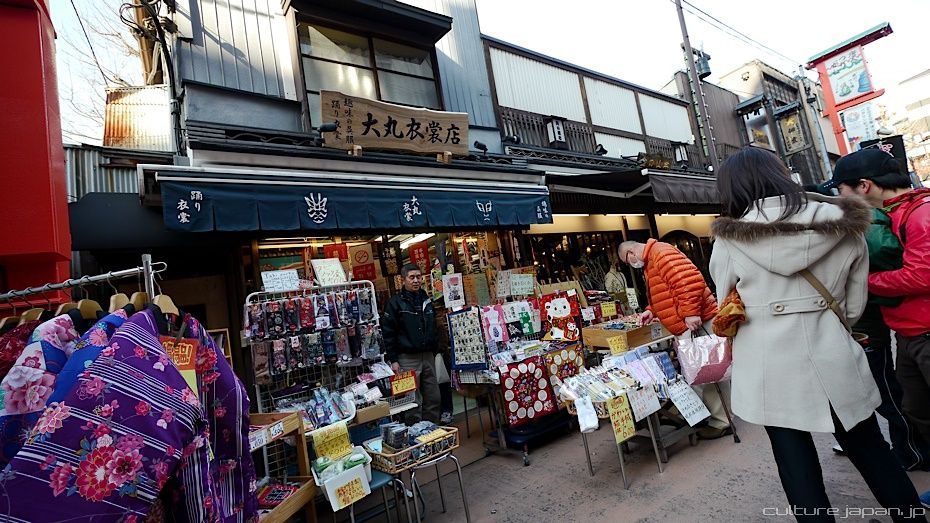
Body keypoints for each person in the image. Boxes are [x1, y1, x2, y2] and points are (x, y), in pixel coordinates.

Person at [710, 147, 922, 522]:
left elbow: (725, 296)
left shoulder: (730, 239)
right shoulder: (845, 222)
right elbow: (854, 306)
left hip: (769, 366)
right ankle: (910, 517)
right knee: (871, 449)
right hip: (832, 354)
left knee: (795, 463)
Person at [824, 148, 930, 505]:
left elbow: (922, 275)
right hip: (911, 333)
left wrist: (861, 282)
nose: (840, 198)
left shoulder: (921, 214)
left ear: (864, 186)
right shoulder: (898, 213)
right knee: (917, 409)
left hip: (925, 332)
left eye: (841, 190)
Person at [618, 239, 730, 439]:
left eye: (628, 261)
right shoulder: (654, 258)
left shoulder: (660, 254)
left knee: (705, 372)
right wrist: (652, 310)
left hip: (693, 321)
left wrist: (690, 313)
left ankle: (720, 421)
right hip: (688, 321)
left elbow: (689, 282)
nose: (631, 265)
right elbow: (665, 291)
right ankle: (719, 417)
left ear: (630, 253)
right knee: (706, 371)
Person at [382, 263, 441, 424]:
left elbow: (434, 326)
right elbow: (388, 333)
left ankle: (431, 430)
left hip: (427, 356)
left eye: (418, 277)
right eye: (412, 277)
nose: (416, 280)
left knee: (433, 397)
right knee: (411, 401)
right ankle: (415, 433)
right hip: (406, 359)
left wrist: (436, 349)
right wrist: (393, 359)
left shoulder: (426, 300)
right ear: (403, 280)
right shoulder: (394, 303)